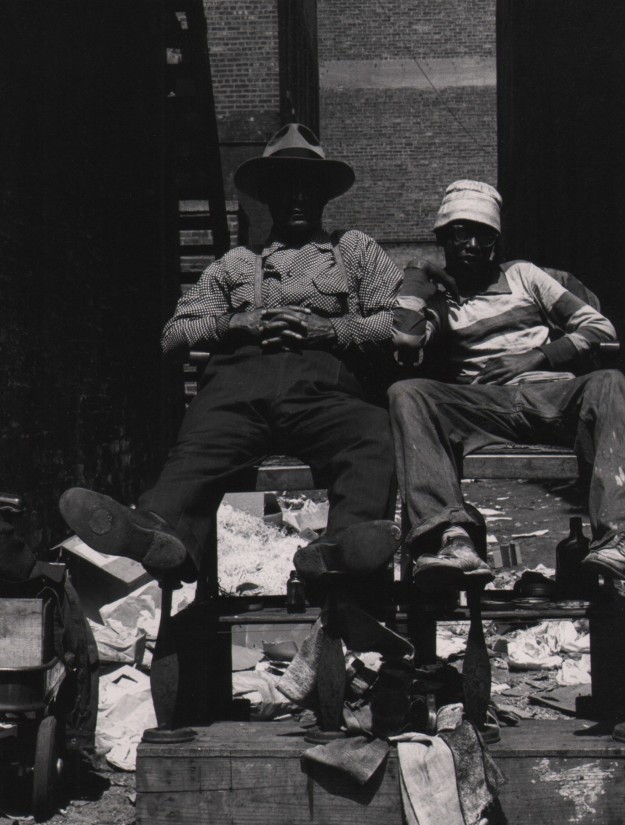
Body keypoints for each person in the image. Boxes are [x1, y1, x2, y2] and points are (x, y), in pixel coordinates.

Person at [60, 124, 402, 587]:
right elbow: (172, 336)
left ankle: (342, 547)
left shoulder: (354, 250)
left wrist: (333, 328)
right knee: (197, 451)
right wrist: (235, 324)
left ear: (325, 194)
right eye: (285, 186)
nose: (297, 197)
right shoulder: (234, 263)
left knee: (371, 436)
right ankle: (156, 533)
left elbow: (398, 326)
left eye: (309, 186)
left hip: (327, 393)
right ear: (267, 196)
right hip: (237, 391)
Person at [388, 179, 625, 591]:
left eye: (484, 234)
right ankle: (449, 539)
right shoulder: (440, 299)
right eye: (461, 232)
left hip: (548, 393)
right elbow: (406, 342)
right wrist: (415, 276)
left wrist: (534, 357)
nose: (473, 244)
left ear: (496, 240)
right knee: (407, 392)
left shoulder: (523, 276)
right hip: (481, 404)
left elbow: (600, 329)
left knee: (610, 382)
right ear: (443, 236)